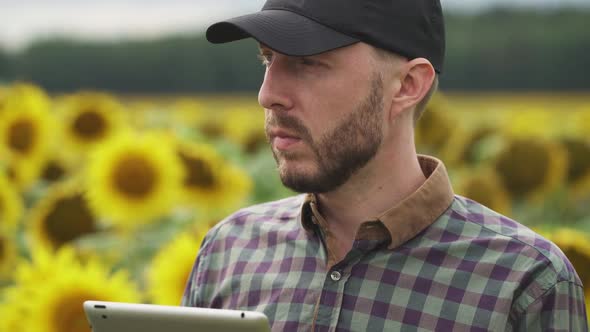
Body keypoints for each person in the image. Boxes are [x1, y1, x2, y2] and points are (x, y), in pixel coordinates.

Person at [181, 0, 588, 330]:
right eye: (268, 60)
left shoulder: (524, 284)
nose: (268, 95)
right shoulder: (228, 251)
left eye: (308, 63)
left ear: (408, 85)